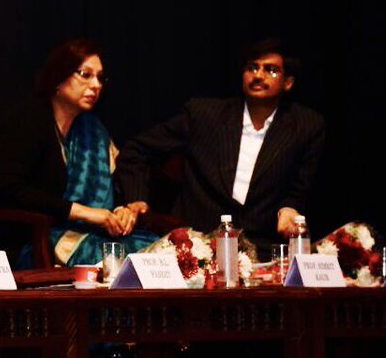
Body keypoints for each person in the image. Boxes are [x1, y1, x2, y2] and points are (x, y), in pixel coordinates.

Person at [116, 38, 325, 246]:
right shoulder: (203, 115)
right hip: (198, 244)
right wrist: (137, 199)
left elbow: (300, 188)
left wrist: (289, 208)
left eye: (271, 70)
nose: (258, 75)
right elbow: (136, 150)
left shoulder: (305, 126)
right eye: (252, 68)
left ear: (288, 82)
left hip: (264, 247)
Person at [0, 38, 156, 268]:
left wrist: (122, 211)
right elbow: (8, 190)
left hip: (93, 234)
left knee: (162, 254)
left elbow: (113, 191)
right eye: (85, 75)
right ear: (58, 77)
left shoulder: (94, 130)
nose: (95, 85)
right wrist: (84, 213)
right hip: (33, 239)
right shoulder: (27, 123)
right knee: (122, 262)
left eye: (100, 78)